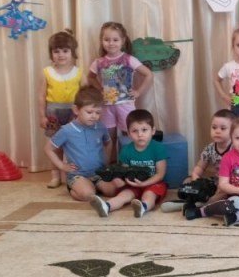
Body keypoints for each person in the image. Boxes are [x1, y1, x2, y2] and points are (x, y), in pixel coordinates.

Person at [87, 22, 153, 159]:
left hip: (125, 105)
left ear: (123, 41)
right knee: (108, 138)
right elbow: (90, 77)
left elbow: (148, 74)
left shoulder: (129, 59)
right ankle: (110, 164)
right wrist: (100, 88)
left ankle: (128, 162)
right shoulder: (99, 62)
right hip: (106, 106)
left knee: (128, 136)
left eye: (115, 40)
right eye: (107, 39)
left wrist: (138, 92)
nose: (111, 43)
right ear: (101, 41)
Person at [44, 86, 118, 204]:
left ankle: (92, 186)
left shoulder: (100, 127)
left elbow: (108, 142)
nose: (94, 116)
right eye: (89, 112)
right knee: (88, 194)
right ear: (76, 110)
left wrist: (106, 161)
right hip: (77, 175)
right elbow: (48, 148)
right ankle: (75, 188)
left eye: (98, 112)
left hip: (98, 173)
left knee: (112, 191)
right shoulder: (67, 130)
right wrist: (62, 166)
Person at [90, 109, 167, 218]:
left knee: (149, 195)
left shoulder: (158, 148)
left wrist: (144, 184)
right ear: (129, 133)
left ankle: (143, 207)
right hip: (133, 184)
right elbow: (122, 171)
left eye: (144, 130)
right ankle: (106, 206)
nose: (140, 134)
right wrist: (119, 179)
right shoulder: (126, 150)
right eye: (135, 131)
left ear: (153, 131)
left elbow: (160, 174)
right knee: (124, 195)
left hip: (153, 183)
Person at [161, 109, 236, 213]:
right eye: (214, 127)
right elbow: (200, 167)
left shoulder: (235, 148)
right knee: (187, 181)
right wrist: (196, 180)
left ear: (233, 131)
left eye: (223, 128)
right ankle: (191, 202)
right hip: (216, 181)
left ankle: (201, 206)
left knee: (223, 190)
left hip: (230, 183)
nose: (217, 131)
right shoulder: (209, 148)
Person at [38, 30, 84, 188]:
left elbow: (85, 95)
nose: (61, 55)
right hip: (53, 114)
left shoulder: (79, 72)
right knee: (55, 145)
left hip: (73, 113)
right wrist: (42, 116)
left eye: (65, 51)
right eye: (56, 51)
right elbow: (41, 96)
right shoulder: (47, 72)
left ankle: (75, 173)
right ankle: (55, 175)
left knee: (73, 144)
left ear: (72, 52)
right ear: (51, 53)